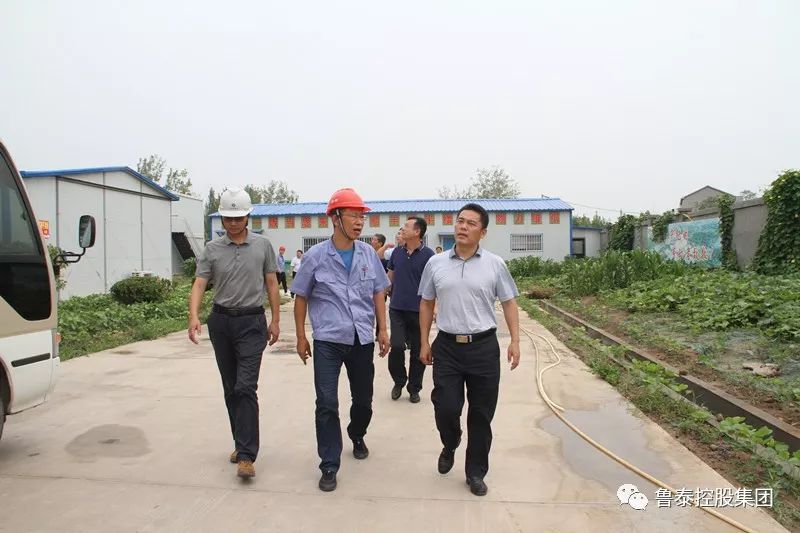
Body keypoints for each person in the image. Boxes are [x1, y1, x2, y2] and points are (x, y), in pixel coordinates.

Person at [418, 203, 520, 497]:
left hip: (484, 348)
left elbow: (509, 302)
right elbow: (426, 302)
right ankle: (450, 442)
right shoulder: (435, 263)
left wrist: (515, 340)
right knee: (446, 407)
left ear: (482, 232)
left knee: (481, 414)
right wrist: (424, 341)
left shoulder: (495, 264)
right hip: (447, 347)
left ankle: (475, 472)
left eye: (471, 223)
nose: (463, 226)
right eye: (460, 221)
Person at [292, 188, 390, 493]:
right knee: (326, 402)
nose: (360, 222)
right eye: (353, 216)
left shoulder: (368, 254)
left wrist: (383, 329)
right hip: (328, 340)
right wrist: (300, 336)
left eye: (362, 217)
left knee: (363, 400)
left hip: (361, 338)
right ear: (335, 218)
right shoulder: (315, 257)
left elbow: (378, 291)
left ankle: (357, 433)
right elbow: (300, 296)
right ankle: (329, 463)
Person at [188, 188, 281, 480]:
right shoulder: (212, 249)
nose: (233, 223)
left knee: (245, 387)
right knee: (231, 388)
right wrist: (194, 316)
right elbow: (200, 283)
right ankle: (241, 442)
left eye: (238, 218)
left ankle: (246, 456)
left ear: (247, 217)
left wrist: (276, 320)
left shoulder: (263, 245)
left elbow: (271, 283)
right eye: (228, 218)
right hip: (222, 323)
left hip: (252, 322)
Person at [386, 217, 435, 403]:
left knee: (418, 350)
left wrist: (436, 307)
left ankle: (414, 388)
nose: (403, 228)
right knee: (397, 346)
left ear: (417, 232)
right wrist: (379, 291)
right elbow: (389, 277)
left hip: (420, 311)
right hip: (397, 308)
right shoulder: (397, 253)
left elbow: (435, 284)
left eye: (406, 226)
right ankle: (399, 381)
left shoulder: (429, 256)